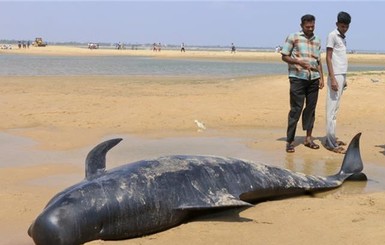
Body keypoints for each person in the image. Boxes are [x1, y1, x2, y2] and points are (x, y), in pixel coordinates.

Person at [281, 14, 324, 153]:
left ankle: (308, 138)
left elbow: (318, 61)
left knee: (311, 109)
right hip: (297, 78)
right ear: (302, 25)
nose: (310, 29)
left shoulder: (317, 39)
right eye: (307, 26)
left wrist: (322, 77)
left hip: (314, 78)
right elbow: (284, 56)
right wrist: (298, 62)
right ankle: (290, 141)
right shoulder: (293, 37)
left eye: (312, 26)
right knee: (296, 109)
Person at [325, 11, 351, 154]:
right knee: (331, 110)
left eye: (346, 26)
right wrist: (333, 78)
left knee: (336, 109)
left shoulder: (343, 38)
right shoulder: (332, 35)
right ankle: (330, 143)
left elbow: (340, 58)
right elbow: (328, 58)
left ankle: (332, 137)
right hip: (335, 76)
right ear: (337, 24)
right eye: (342, 26)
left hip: (341, 75)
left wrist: (343, 79)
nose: (344, 28)